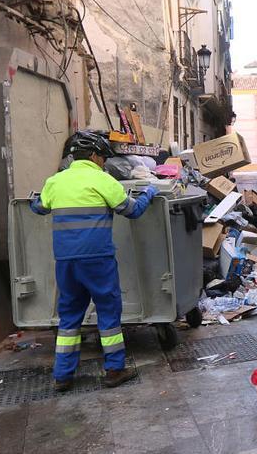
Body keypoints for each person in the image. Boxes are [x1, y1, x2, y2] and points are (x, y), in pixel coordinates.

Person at [30, 131, 159, 391]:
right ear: (93, 155)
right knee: (108, 312)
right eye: (102, 157)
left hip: (66, 260)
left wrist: (36, 199)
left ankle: (63, 376)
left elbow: (39, 207)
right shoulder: (103, 180)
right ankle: (114, 370)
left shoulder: (55, 181)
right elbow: (132, 211)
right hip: (97, 259)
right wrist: (149, 193)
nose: (104, 162)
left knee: (69, 316)